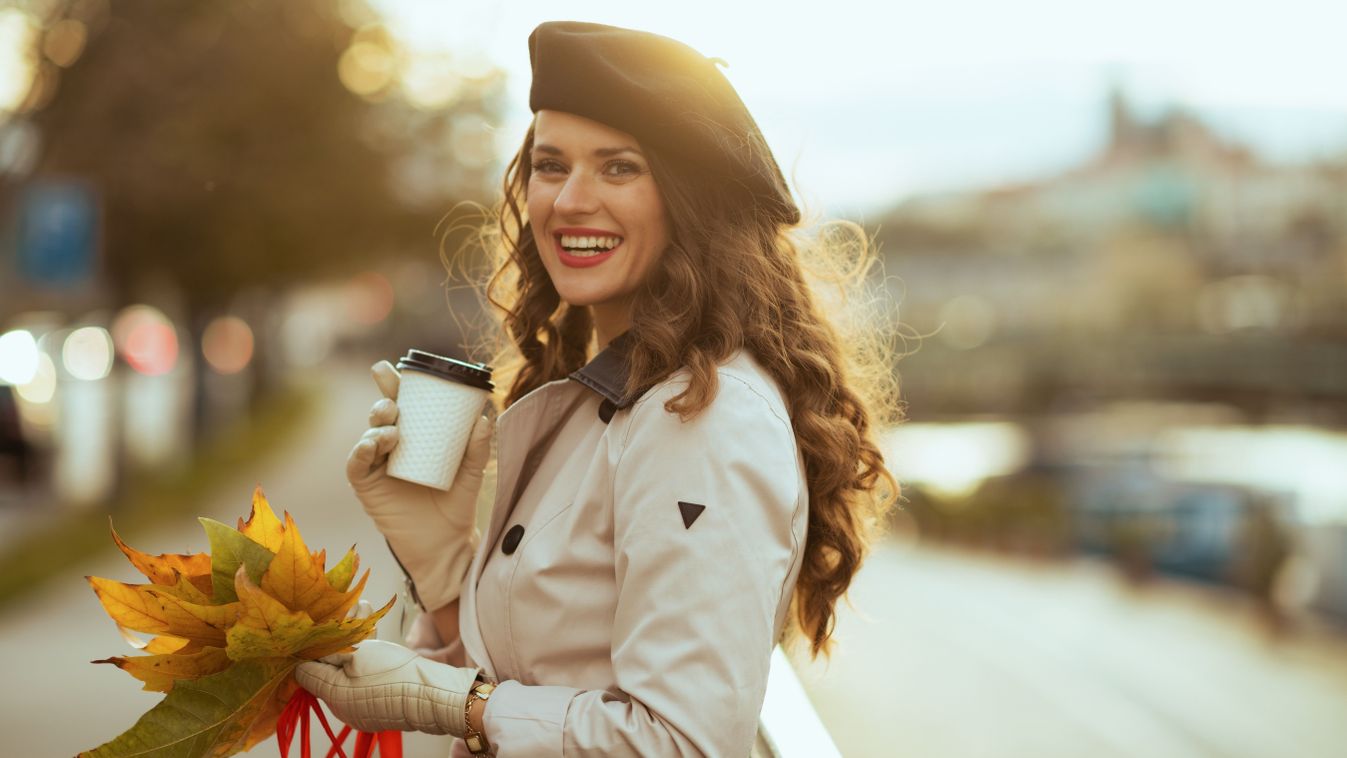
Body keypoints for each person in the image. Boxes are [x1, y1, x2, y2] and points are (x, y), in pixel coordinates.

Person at [296, 20, 901, 757]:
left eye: (618, 168)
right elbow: (537, 675)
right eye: (551, 166)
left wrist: (451, 700)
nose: (571, 200)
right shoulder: (606, 399)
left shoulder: (701, 416)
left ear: (690, 201)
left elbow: (681, 742)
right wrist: (440, 563)